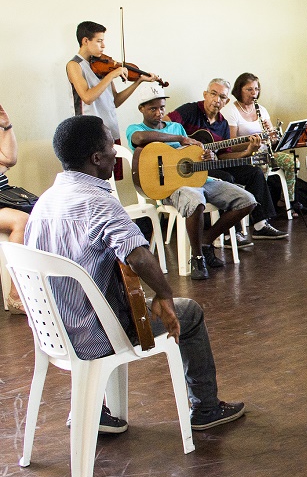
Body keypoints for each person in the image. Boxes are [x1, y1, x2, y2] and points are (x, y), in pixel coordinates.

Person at [26, 115, 245, 431]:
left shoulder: (44, 203)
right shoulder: (99, 203)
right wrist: (164, 295)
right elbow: (139, 256)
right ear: (96, 158)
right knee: (190, 313)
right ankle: (206, 409)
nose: (116, 150)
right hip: (95, 337)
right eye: (109, 144)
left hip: (53, 334)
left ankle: (92, 410)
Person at [126, 84, 257, 280]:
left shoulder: (175, 126)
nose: (159, 112)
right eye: (152, 108)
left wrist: (206, 157)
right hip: (170, 189)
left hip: (198, 179)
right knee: (196, 200)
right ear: (141, 109)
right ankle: (197, 258)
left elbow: (191, 155)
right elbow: (140, 138)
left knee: (247, 200)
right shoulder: (136, 129)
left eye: (161, 107)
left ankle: (205, 240)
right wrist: (180, 138)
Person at [167, 78, 287, 242]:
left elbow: (224, 155)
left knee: (254, 172)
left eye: (222, 97)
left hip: (212, 164)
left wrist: (248, 151)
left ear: (227, 101)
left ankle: (260, 225)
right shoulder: (190, 110)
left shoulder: (222, 123)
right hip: (191, 169)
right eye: (213, 94)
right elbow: (165, 124)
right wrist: (185, 142)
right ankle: (231, 234)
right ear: (205, 94)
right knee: (226, 178)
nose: (217, 100)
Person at [66, 21, 159, 180]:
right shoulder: (74, 65)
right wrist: (112, 75)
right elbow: (87, 97)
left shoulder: (101, 65)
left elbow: (115, 101)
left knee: (111, 182)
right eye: (99, 41)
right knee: (94, 182)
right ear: (85, 41)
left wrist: (138, 81)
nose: (103, 46)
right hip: (90, 133)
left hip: (110, 131)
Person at [220, 72, 301, 213]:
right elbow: (230, 145)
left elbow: (273, 140)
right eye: (249, 89)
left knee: (292, 161)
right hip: (246, 155)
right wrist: (252, 143)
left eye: (256, 89)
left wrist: (272, 135)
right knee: (261, 166)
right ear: (239, 90)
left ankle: (286, 202)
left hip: (264, 153)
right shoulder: (231, 111)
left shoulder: (261, 110)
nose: (254, 93)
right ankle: (258, 210)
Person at [0, 103, 28, 314]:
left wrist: (7, 126)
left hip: (4, 196)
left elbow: (9, 159)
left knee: (41, 212)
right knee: (21, 221)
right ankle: (15, 295)